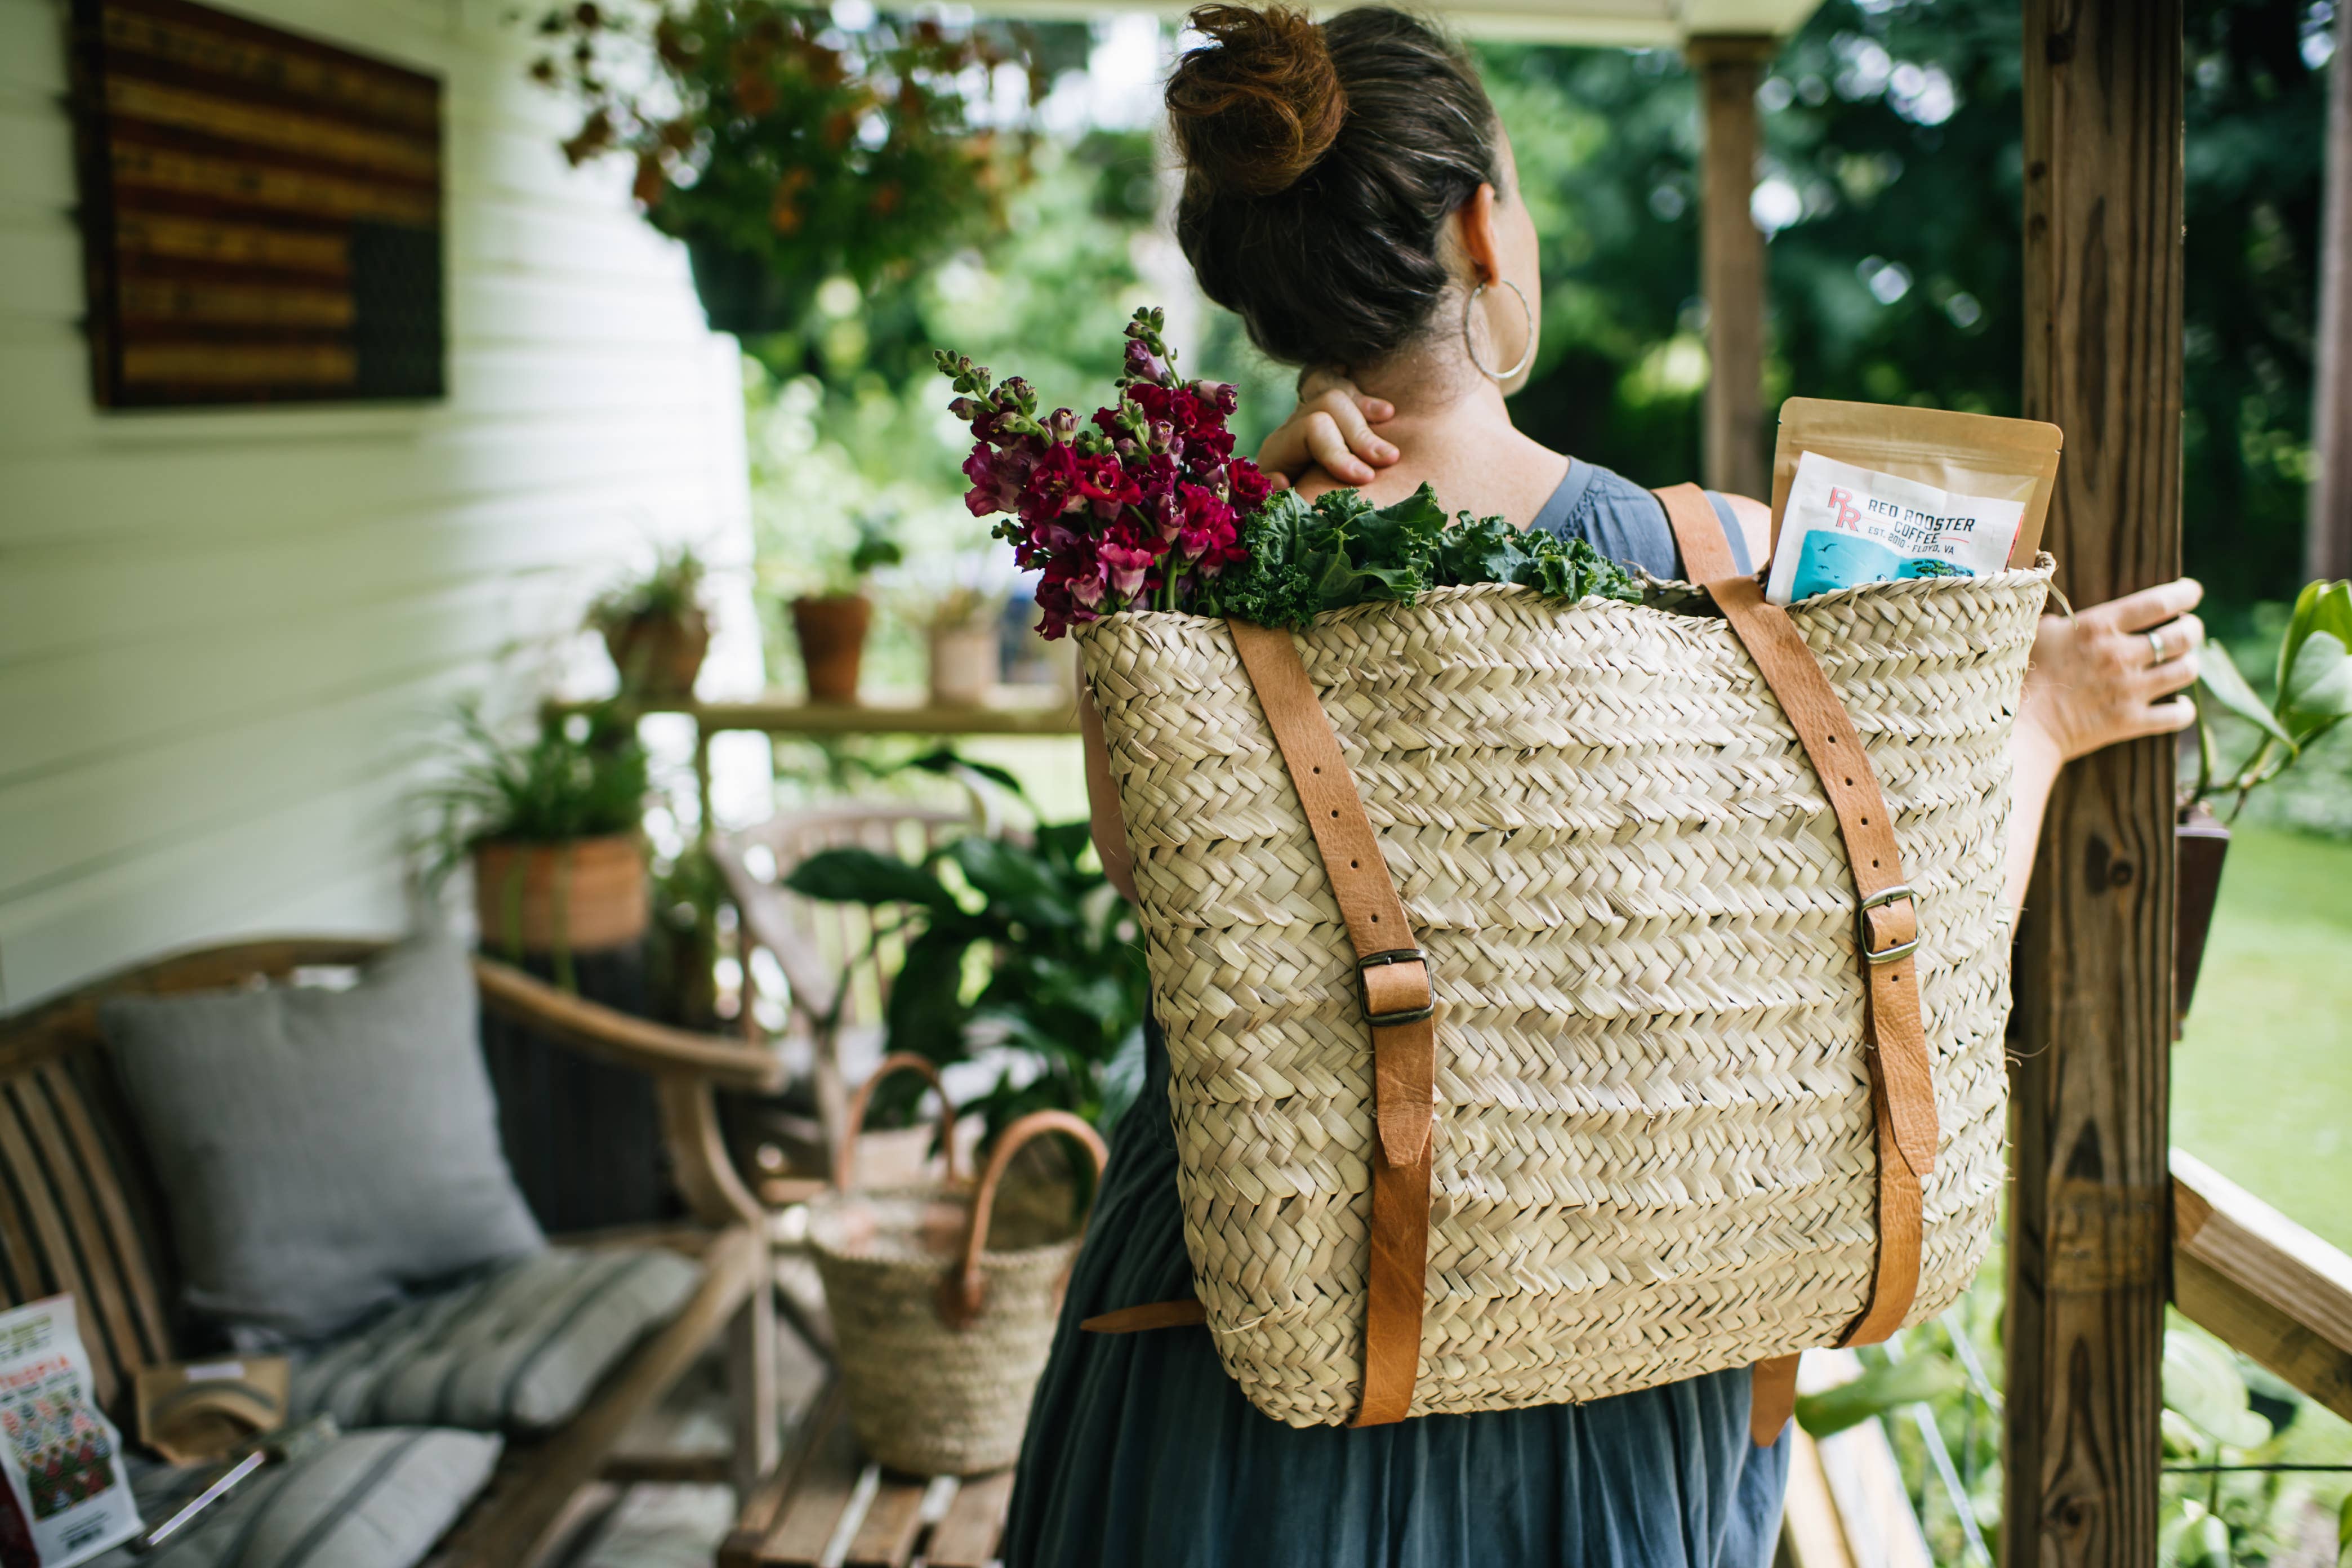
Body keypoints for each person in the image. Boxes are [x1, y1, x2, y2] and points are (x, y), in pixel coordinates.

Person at [1004, 8, 2204, 1565]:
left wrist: (1222, 528)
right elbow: (1911, 955)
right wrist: (2038, 719)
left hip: (1245, 1339)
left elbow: (1141, 859)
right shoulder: (1726, 574)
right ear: (1482, 229)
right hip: (1617, 1348)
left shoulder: (1188, 603)